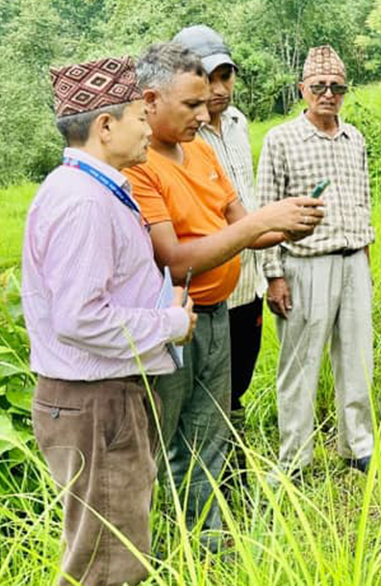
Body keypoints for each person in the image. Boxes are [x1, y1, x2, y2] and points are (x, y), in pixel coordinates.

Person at [124, 41, 323, 550]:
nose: (204, 109)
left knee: (210, 430)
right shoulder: (139, 164)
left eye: (206, 99)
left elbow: (241, 227)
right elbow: (173, 258)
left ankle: (208, 541)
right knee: (161, 439)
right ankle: (144, 547)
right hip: (170, 322)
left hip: (218, 314)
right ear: (149, 101)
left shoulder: (201, 150)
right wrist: (260, 223)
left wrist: (286, 226)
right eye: (190, 103)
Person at [23, 56, 196, 586]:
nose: (148, 128)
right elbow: (80, 318)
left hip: (103, 398)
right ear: (105, 126)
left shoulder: (90, 190)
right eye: (138, 117)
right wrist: (167, 324)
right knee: (108, 564)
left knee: (110, 547)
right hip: (96, 402)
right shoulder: (84, 203)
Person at [257, 45, 376, 474]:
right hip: (304, 264)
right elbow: (266, 208)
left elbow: (363, 203)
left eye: (337, 87)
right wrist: (273, 275)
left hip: (353, 261)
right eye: (319, 87)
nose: (328, 94)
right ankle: (294, 458)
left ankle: (358, 446)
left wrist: (365, 262)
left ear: (345, 91)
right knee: (299, 365)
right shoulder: (281, 139)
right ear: (302, 89)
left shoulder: (355, 138)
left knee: (358, 359)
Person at [173, 25, 266, 438]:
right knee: (206, 394)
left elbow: (246, 201)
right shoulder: (180, 138)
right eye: (207, 79)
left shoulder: (239, 123)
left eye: (225, 76)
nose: (218, 89)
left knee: (239, 381)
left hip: (249, 280)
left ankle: (234, 460)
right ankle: (216, 475)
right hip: (206, 289)